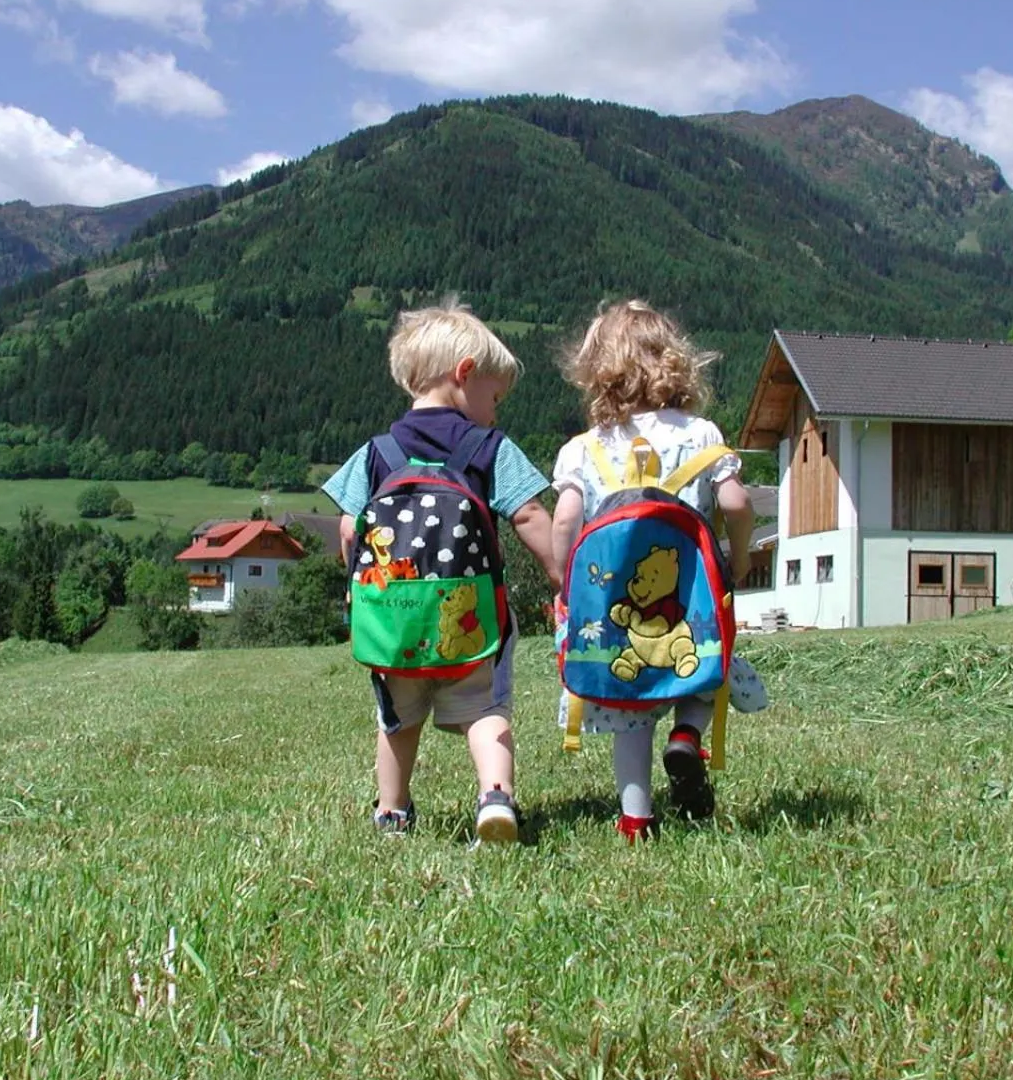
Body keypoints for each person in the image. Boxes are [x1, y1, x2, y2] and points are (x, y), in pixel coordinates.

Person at [323, 302, 558, 844]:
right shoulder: (489, 447)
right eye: (495, 398)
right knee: (485, 710)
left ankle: (392, 811)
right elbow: (529, 514)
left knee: (397, 720)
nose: (494, 413)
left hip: (395, 619)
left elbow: (348, 530)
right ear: (465, 373)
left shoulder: (376, 452)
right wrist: (559, 575)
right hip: (469, 618)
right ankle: (495, 796)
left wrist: (361, 589)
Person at [550, 301, 754, 841]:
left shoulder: (585, 448)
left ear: (597, 372)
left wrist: (564, 581)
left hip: (615, 604)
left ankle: (636, 819)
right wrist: (738, 558)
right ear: (675, 361)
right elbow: (735, 503)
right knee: (703, 667)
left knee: (630, 711)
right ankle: (687, 735)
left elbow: (566, 519)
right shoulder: (702, 434)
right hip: (691, 596)